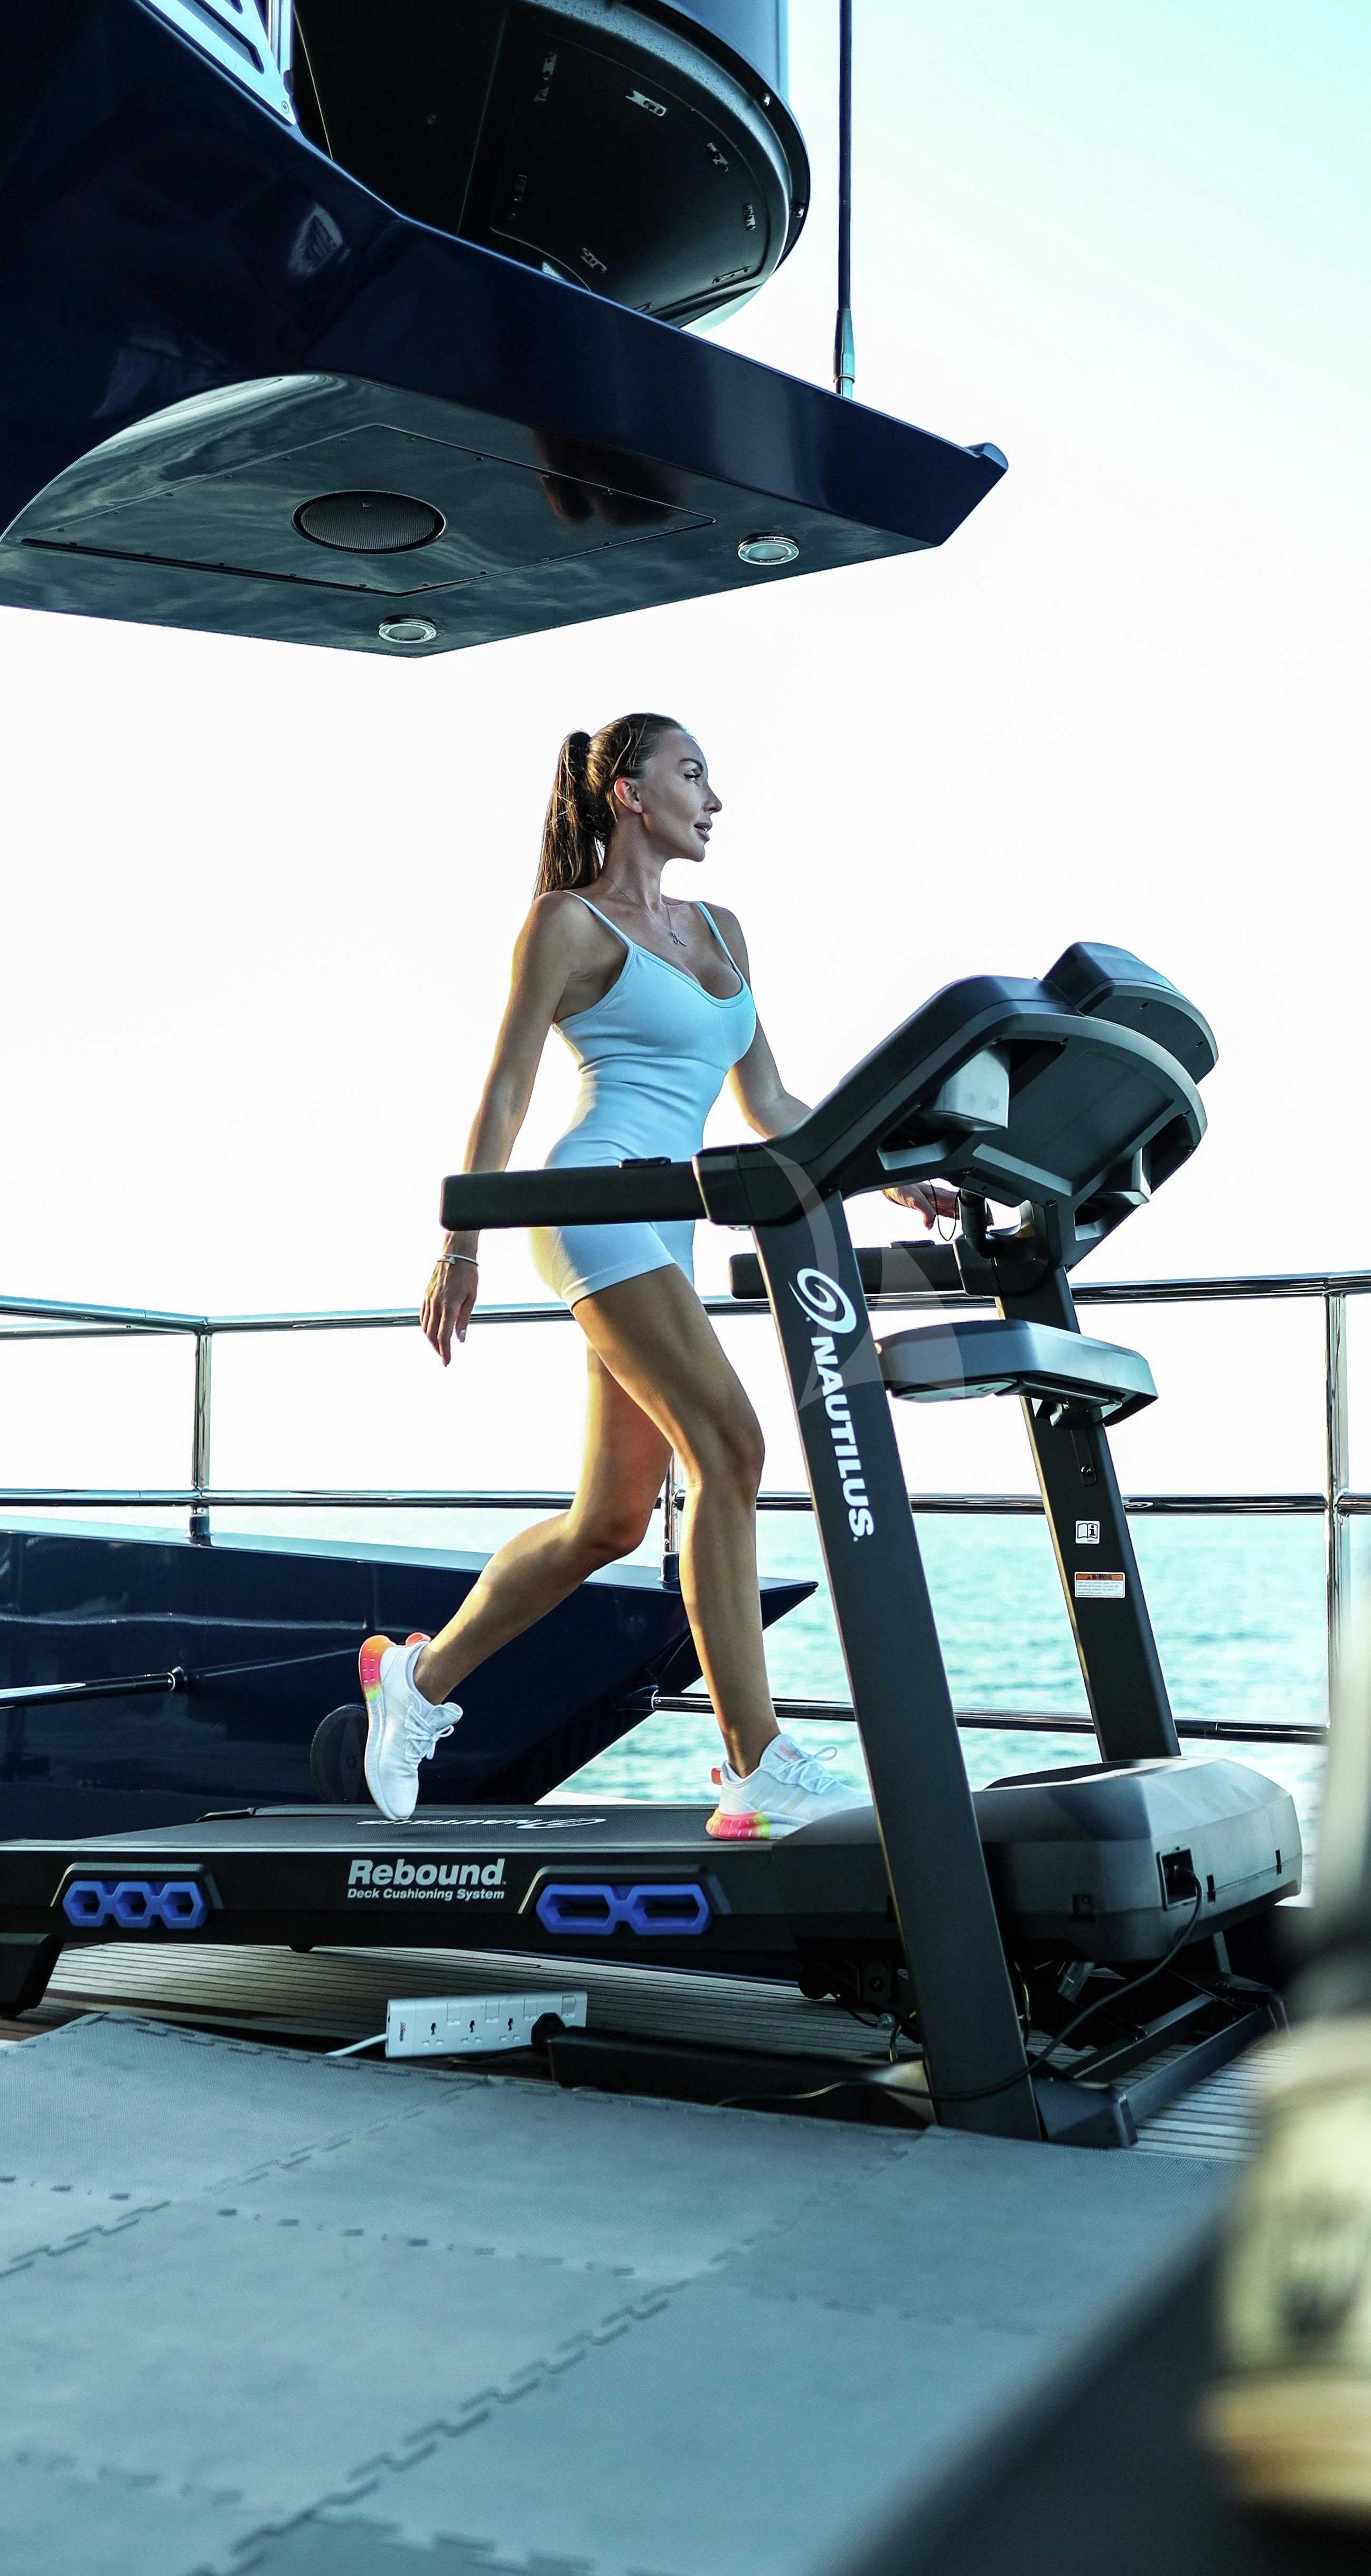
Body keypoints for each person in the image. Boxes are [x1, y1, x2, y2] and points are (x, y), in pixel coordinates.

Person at [358, 712, 944, 1834]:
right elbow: (507, 1087)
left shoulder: (721, 929)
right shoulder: (567, 925)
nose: (713, 797)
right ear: (628, 792)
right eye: (691, 773)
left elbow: (769, 1107)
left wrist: (889, 1170)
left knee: (609, 1523)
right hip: (592, 1205)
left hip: (664, 1225)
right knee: (731, 1445)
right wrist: (462, 1237)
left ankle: (416, 1683)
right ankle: (752, 1758)